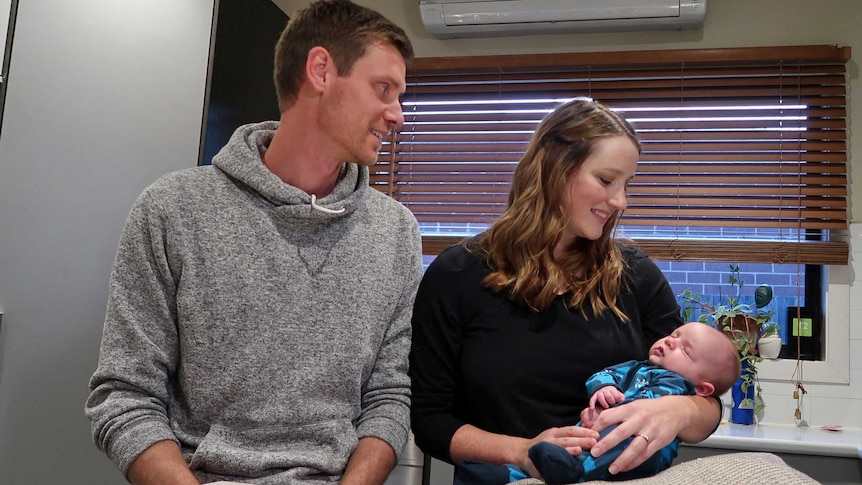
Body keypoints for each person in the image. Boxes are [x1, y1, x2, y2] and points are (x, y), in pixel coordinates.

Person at [85, 1, 421, 484]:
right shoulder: (173, 209)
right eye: (384, 89)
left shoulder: (395, 232)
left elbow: (388, 396)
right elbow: (124, 394)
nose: (397, 116)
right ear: (321, 70)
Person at [408, 98, 725, 485]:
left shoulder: (634, 274)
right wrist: (521, 452)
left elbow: (705, 402)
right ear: (554, 170)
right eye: (606, 180)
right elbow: (429, 420)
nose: (620, 201)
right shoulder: (456, 274)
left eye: (626, 185)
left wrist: (679, 412)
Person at [457, 322, 741, 484]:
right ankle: (499, 473)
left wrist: (678, 410)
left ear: (703, 387)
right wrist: (603, 388)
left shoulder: (679, 385)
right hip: (591, 430)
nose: (669, 342)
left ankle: (574, 471)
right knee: (568, 446)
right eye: (673, 335)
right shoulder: (635, 367)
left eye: (686, 351)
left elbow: (701, 408)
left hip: (640, 452)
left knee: (618, 447)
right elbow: (606, 374)